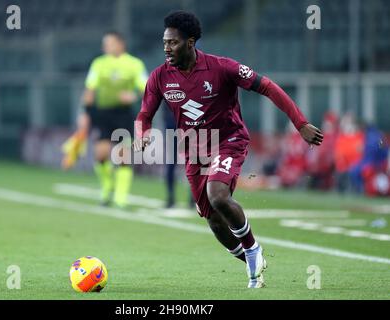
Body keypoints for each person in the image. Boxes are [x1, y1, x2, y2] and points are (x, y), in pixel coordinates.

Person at [133, 11, 323, 288]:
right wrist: (142, 134)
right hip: (195, 151)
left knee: (218, 195)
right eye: (164, 42)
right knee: (214, 221)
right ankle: (252, 260)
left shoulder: (222, 68)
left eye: (172, 42)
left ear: (190, 42)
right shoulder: (160, 76)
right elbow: (144, 114)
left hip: (228, 140)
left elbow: (268, 87)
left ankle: (253, 248)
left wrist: (301, 123)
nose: (166, 48)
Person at [62, 31, 148, 208]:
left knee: (123, 155)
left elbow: (147, 89)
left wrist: (133, 96)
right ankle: (107, 185)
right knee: (101, 154)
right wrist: (84, 113)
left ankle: (121, 197)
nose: (105, 47)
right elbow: (89, 90)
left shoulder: (134, 64)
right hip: (102, 113)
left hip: (123, 114)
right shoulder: (99, 63)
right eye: (105, 43)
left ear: (121, 44)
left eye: (109, 43)